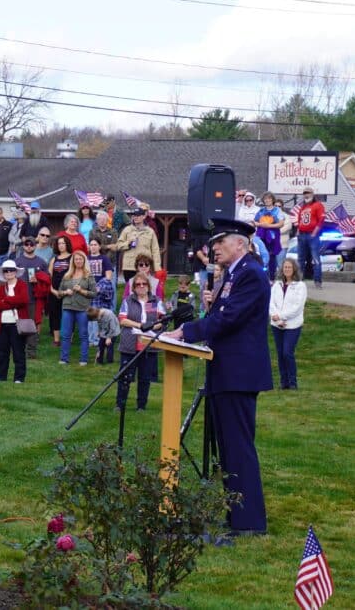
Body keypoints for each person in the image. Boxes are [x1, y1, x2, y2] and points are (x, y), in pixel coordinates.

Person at [164, 219, 272, 536]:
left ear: (240, 243)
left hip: (239, 373)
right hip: (224, 370)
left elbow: (229, 319)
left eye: (220, 242)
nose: (214, 248)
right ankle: (236, 515)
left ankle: (249, 521)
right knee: (228, 449)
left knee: (238, 447)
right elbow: (220, 315)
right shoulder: (233, 274)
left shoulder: (250, 274)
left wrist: (186, 331)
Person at [116, 272, 168, 411]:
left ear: (148, 286)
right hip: (130, 343)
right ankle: (120, 405)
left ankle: (141, 406)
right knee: (125, 377)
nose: (141, 286)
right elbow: (122, 319)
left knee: (144, 378)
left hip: (148, 345)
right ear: (133, 287)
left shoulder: (156, 301)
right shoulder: (128, 301)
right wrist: (140, 326)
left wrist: (151, 327)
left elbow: (163, 321)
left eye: (144, 284)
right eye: (138, 284)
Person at [269, 259, 306, 390]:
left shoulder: (300, 286)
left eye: (290, 267)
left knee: (287, 352)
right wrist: (276, 318)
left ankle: (292, 382)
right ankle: (283, 382)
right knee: (280, 353)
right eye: (285, 267)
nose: (287, 269)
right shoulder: (277, 285)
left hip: (292, 325)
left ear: (294, 269)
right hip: (276, 324)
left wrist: (282, 316)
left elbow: (297, 307)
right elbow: (271, 302)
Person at [58, 250, 97, 366]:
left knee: (83, 335)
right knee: (65, 334)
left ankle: (83, 359)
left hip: (82, 308)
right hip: (68, 307)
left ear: (84, 260)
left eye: (80, 259)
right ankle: (64, 358)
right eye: (76, 259)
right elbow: (59, 293)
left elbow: (94, 293)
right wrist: (66, 292)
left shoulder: (89, 275)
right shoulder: (67, 275)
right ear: (73, 261)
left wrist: (81, 290)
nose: (78, 261)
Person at [0, 259, 29, 383]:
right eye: (6, 271)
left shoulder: (22, 285)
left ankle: (19, 377)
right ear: (3, 273)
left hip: (17, 324)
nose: (8, 273)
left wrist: (6, 300)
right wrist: (13, 301)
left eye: (11, 270)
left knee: (18, 352)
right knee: (3, 353)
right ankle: (2, 377)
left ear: (15, 272)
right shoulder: (0, 288)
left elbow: (23, 300)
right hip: (2, 324)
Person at [14, 236, 47, 359]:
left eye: (31, 244)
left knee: (32, 326)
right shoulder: (17, 262)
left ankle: (31, 352)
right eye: (27, 244)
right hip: (18, 299)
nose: (29, 246)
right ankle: (17, 350)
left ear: (35, 245)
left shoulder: (41, 262)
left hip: (34, 299)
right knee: (17, 325)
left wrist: (38, 280)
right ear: (23, 246)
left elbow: (47, 281)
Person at [113, 208, 161, 282]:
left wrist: (157, 268)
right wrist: (128, 243)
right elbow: (118, 245)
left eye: (138, 215)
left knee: (144, 288)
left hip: (144, 266)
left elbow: (155, 250)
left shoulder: (150, 232)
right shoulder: (127, 230)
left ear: (144, 216)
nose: (135, 217)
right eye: (134, 215)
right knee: (130, 290)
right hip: (129, 267)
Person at [295, 187, 325, 289]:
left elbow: (321, 219)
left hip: (312, 235)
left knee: (315, 258)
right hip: (302, 235)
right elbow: (299, 221)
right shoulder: (302, 207)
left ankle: (317, 281)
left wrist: (315, 232)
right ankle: (299, 280)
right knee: (300, 259)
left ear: (312, 194)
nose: (306, 195)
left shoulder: (318, 205)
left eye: (308, 193)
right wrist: (298, 232)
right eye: (304, 193)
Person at [48, 235, 74, 346]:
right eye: (59, 243)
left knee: (69, 314)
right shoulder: (54, 259)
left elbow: (76, 275)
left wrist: (69, 290)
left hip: (69, 292)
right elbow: (49, 276)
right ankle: (56, 339)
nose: (61, 245)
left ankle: (68, 338)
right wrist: (52, 290)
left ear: (67, 244)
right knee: (55, 314)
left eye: (63, 243)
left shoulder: (73, 257)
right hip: (55, 292)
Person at [253, 192, 285, 280]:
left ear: (272, 199)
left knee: (271, 256)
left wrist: (269, 226)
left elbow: (281, 224)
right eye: (265, 199)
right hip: (261, 235)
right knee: (262, 255)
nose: (267, 200)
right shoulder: (261, 210)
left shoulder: (277, 210)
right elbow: (254, 222)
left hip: (273, 236)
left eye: (269, 198)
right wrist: (260, 224)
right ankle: (262, 277)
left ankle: (271, 278)